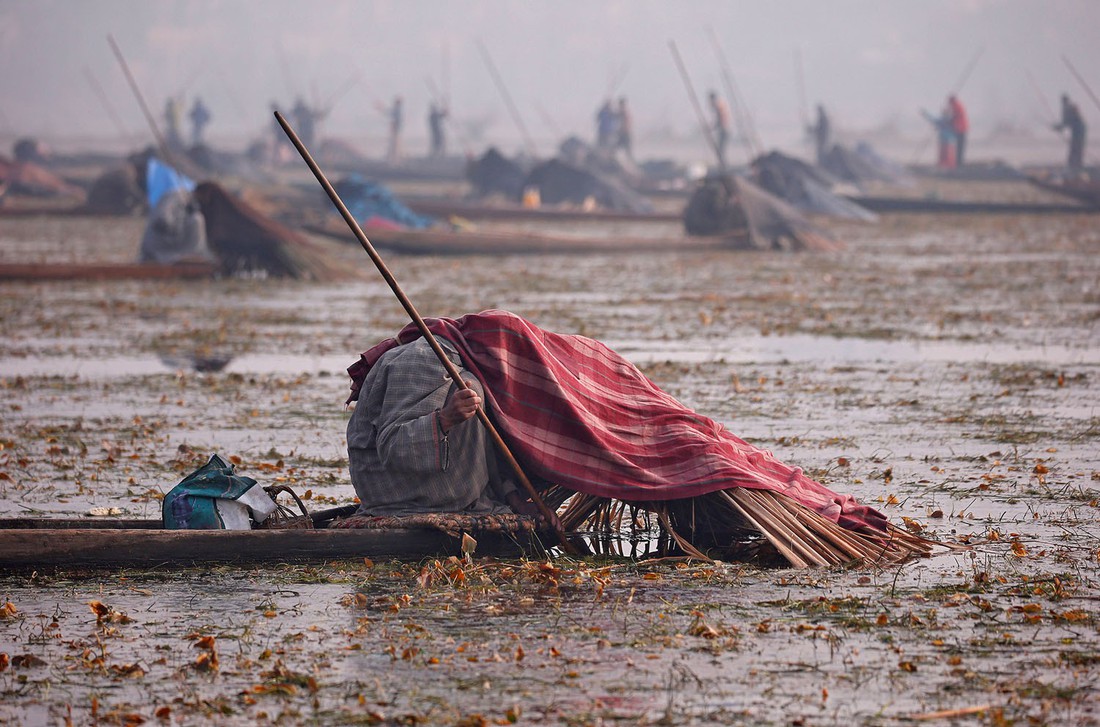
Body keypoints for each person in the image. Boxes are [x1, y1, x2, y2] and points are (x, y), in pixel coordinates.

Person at [346, 335, 542, 519]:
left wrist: (514, 499)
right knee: (470, 391)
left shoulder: (473, 367)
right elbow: (394, 448)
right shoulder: (419, 361)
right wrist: (445, 419)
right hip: (392, 493)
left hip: (451, 491)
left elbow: (484, 448)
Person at [1054, 93, 1087, 172]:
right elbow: (1066, 122)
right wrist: (1058, 127)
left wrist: (1057, 127)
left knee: (1075, 148)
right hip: (1079, 129)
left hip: (1078, 130)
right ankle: (1075, 166)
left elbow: (1065, 123)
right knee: (1076, 148)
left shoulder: (1066, 108)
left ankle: (1075, 167)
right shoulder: (1070, 107)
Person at [922, 103, 956, 170]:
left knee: (946, 154)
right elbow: (932, 119)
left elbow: (932, 119)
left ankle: (947, 166)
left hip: (947, 140)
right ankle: (946, 165)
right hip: (946, 140)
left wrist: (925, 114)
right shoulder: (947, 120)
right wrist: (925, 114)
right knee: (944, 154)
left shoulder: (946, 120)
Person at [708, 91, 731, 168]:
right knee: (720, 149)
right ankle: (723, 164)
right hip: (724, 130)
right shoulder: (721, 104)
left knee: (720, 149)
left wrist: (712, 128)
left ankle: (723, 165)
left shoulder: (718, 106)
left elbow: (720, 120)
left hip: (724, 130)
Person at [947, 94, 968, 167]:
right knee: (960, 147)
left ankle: (959, 163)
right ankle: (959, 162)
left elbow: (955, 116)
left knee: (960, 147)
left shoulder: (956, 106)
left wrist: (949, 122)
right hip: (960, 128)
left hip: (961, 129)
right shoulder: (957, 105)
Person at [385, 96, 404, 164]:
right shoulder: (398, 109)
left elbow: (391, 115)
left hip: (395, 129)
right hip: (396, 129)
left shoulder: (397, 109)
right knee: (395, 144)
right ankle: (394, 160)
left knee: (394, 144)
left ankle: (394, 160)